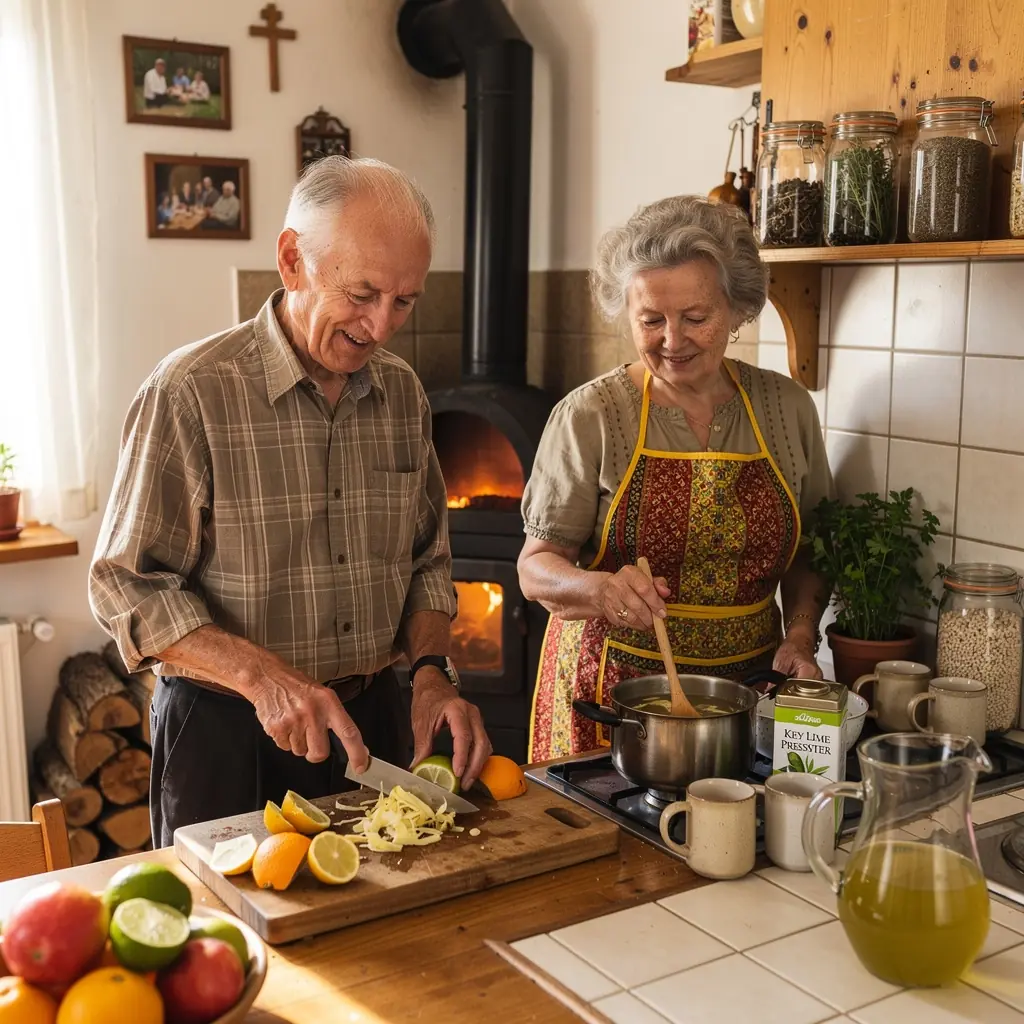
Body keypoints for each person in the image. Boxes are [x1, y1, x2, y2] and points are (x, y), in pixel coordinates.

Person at [90, 156, 491, 847]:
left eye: (405, 300)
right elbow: (126, 585)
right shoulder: (190, 390)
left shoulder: (402, 395)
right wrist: (263, 678)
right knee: (231, 946)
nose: (383, 325)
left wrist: (430, 673)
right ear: (291, 260)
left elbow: (427, 561)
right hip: (226, 733)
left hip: (374, 728)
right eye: (363, 294)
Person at [519, 196, 834, 761]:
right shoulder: (591, 415)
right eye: (650, 320)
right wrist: (599, 589)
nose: (672, 339)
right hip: (611, 703)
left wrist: (801, 635)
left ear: (736, 309)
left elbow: (811, 550)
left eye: (695, 317)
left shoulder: (787, 409)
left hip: (749, 695)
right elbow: (536, 567)